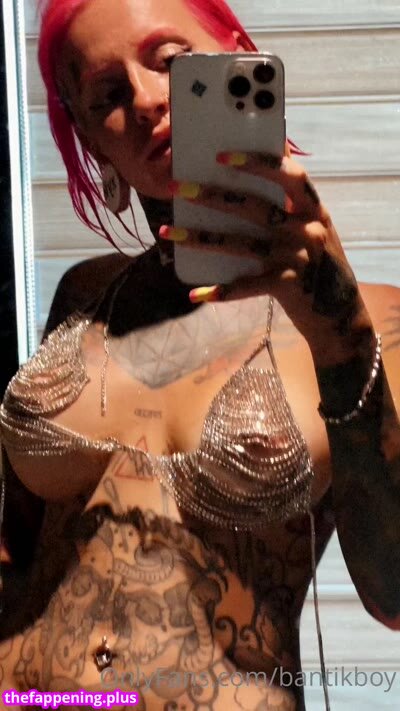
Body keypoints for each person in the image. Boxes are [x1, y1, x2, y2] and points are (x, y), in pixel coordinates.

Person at [1, 0, 400, 709]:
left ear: (239, 60)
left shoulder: (377, 320)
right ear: (91, 140)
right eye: (107, 95)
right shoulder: (86, 295)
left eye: (172, 63)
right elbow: (18, 547)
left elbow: (394, 593)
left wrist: (337, 329)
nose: (147, 100)